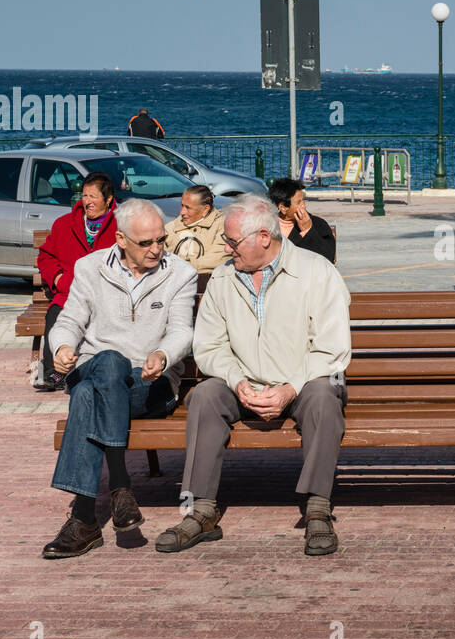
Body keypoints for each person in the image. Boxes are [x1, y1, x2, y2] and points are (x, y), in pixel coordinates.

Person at [158, 193, 350, 557]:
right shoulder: (223, 278)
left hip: (303, 381)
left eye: (232, 241)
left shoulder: (316, 271)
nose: (225, 246)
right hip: (243, 382)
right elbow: (210, 346)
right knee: (204, 396)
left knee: (326, 396)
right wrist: (237, 381)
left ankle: (318, 508)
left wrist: (290, 388)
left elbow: (333, 348)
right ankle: (201, 511)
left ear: (264, 237)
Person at [41, 199, 198, 558]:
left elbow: (181, 331)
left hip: (150, 382)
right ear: (121, 239)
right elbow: (68, 322)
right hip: (99, 367)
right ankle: (120, 489)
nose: (156, 249)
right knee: (108, 361)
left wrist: (163, 355)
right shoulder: (90, 267)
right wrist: (63, 347)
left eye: (161, 240)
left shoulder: (180, 273)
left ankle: (84, 519)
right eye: (146, 243)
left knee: (85, 396)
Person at [36, 172, 118, 390]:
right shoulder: (64, 224)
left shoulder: (121, 224)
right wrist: (57, 278)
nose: (87, 202)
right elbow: (45, 256)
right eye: (85, 196)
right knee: (56, 316)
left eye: (93, 197)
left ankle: (92, 371)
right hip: (69, 293)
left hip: (107, 295)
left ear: (108, 199)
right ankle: (53, 372)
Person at [164, 184, 230, 274]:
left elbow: (215, 261)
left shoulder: (222, 225)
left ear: (205, 209)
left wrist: (177, 268)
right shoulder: (175, 225)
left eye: (188, 208)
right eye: (182, 205)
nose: (182, 212)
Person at [269, 176, 336, 263]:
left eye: (303, 201)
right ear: (283, 208)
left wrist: (308, 231)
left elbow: (328, 258)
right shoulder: (268, 225)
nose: (303, 206)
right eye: (298, 203)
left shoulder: (318, 224)